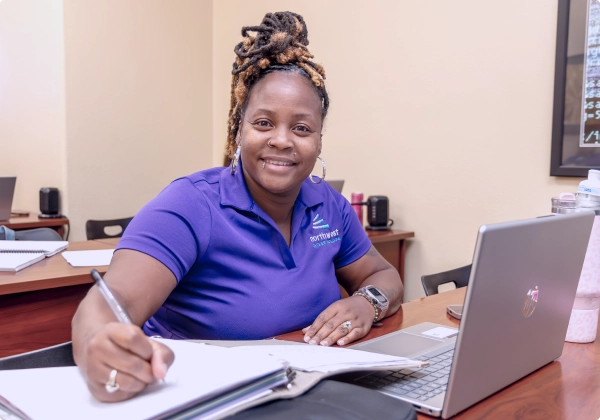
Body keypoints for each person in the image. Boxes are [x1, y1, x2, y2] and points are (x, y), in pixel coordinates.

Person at [72, 11, 404, 402]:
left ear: (318, 139)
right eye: (264, 123)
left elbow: (383, 275)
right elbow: (112, 304)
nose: (282, 140)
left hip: (311, 386)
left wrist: (367, 303)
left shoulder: (327, 203)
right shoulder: (190, 204)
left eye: (301, 128)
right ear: (238, 129)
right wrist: (100, 342)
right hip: (209, 397)